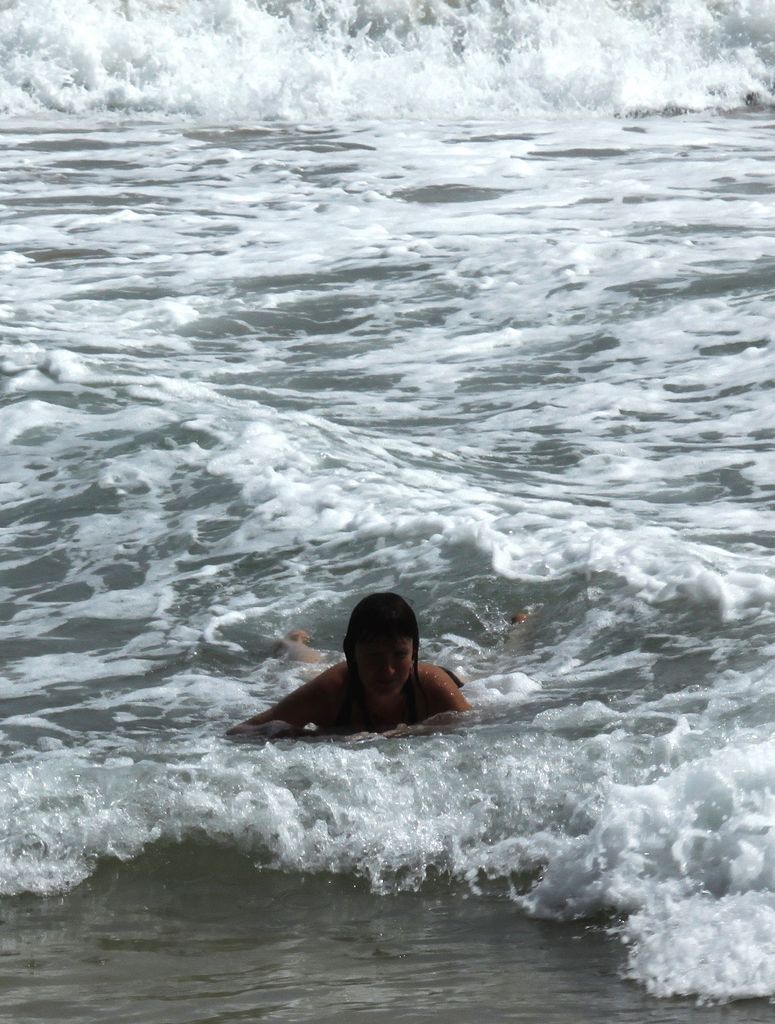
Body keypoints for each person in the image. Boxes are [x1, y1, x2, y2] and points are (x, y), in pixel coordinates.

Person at [226, 592, 471, 737]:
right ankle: (293, 642)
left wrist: (415, 731)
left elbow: (480, 726)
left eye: (399, 654)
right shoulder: (330, 691)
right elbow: (242, 731)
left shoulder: (432, 685)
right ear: (351, 654)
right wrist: (312, 737)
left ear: (415, 652)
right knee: (304, 662)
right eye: (374, 656)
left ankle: (512, 633)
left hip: (446, 677)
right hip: (346, 682)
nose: (388, 670)